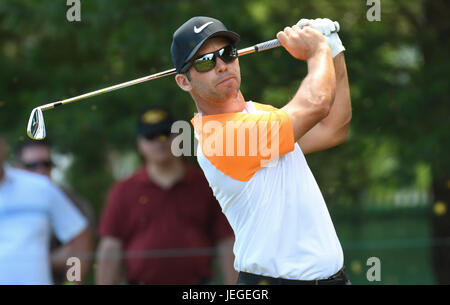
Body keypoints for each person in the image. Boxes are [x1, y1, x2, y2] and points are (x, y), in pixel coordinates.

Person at [171, 16, 352, 284]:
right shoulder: (220, 138)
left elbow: (332, 128)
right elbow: (317, 105)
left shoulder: (258, 116)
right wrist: (317, 50)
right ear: (185, 82)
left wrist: (333, 49)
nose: (221, 66)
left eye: (227, 54)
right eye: (206, 62)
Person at [96, 107, 237, 285]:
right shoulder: (123, 191)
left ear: (177, 137)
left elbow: (226, 242)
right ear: (140, 144)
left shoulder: (207, 185)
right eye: (150, 137)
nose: (159, 142)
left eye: (164, 134)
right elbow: (110, 247)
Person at [0, 132, 90, 284]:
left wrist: (73, 282)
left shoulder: (44, 189)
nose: (40, 170)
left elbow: (80, 240)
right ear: (19, 165)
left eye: (46, 164)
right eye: (32, 166)